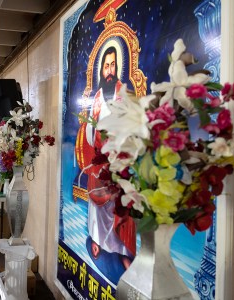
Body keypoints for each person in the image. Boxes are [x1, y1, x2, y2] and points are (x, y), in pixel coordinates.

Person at [74, 45, 135, 284]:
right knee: (97, 207)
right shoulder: (98, 96)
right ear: (101, 69)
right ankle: (98, 242)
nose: (109, 71)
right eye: (106, 66)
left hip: (117, 162)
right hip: (98, 163)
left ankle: (122, 252)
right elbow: (90, 126)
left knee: (118, 207)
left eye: (113, 65)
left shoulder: (123, 94)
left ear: (118, 68)